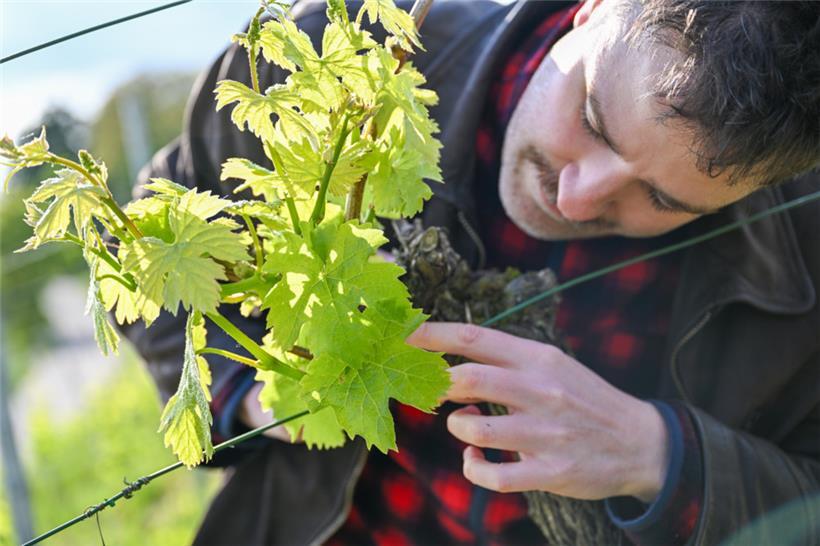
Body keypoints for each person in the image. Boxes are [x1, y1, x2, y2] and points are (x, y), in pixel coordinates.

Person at [123, 0, 820, 544]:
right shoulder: (336, 66)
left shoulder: (806, 251)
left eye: (664, 200)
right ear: (594, 9)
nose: (576, 199)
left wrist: (661, 456)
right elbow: (145, 237)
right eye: (591, 117)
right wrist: (248, 394)